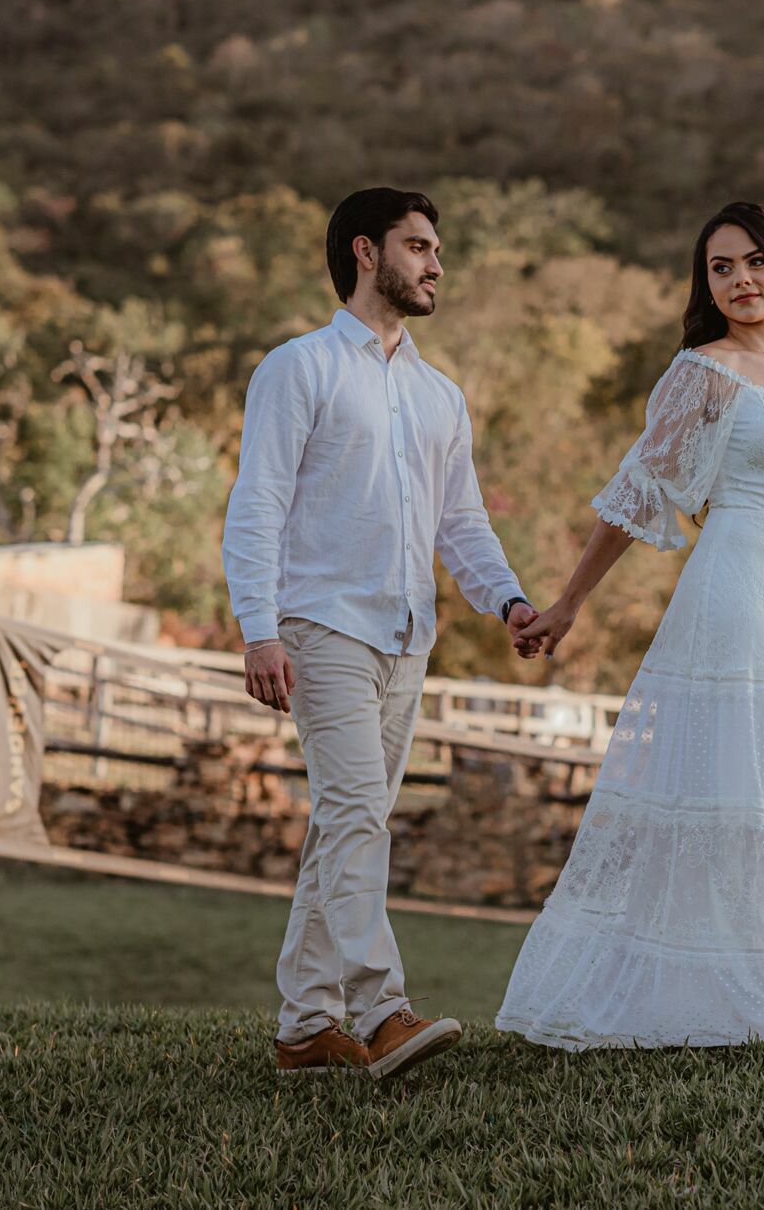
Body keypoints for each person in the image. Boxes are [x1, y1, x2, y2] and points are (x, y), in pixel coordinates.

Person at [496, 202, 764, 1051]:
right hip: (733, 595)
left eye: (753, 262)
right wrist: (567, 603)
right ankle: (733, 999)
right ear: (705, 285)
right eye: (720, 268)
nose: (740, 279)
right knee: (729, 795)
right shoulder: (704, 373)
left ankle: (726, 995)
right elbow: (636, 492)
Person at [222, 187, 538, 1079]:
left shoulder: (442, 397)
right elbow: (258, 506)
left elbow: (462, 524)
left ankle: (303, 1029)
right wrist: (258, 630)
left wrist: (508, 600)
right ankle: (382, 1007)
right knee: (359, 815)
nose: (436, 264)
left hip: (407, 636)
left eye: (437, 250)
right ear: (367, 252)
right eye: (420, 246)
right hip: (320, 624)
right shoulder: (300, 368)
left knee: (347, 826)